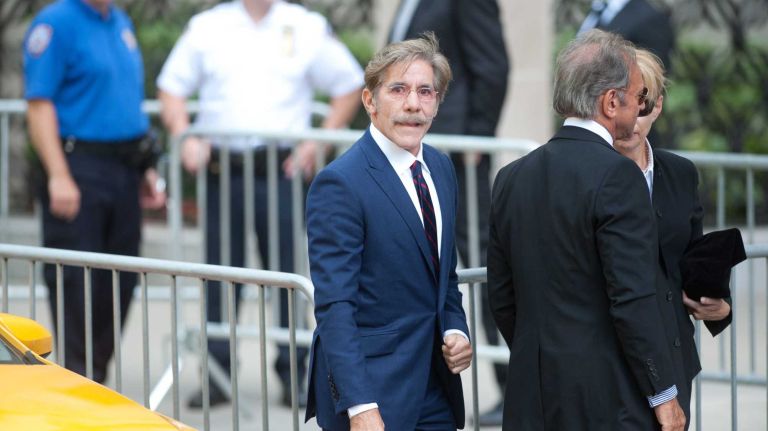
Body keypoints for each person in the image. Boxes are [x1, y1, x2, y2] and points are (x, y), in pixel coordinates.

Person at [156, 0, 363, 408]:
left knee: (289, 276)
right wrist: (185, 134)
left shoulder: (303, 25)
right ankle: (216, 375)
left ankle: (296, 374)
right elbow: (171, 87)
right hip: (223, 171)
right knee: (218, 276)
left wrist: (318, 139)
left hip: (278, 170)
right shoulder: (208, 26)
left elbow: (350, 83)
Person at [487, 29, 687, 430]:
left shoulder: (511, 177)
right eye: (637, 96)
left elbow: (502, 297)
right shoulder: (618, 176)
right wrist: (664, 393)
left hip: (531, 396)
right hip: (607, 399)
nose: (640, 107)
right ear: (612, 101)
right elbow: (632, 299)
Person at [305, 33, 472, 430]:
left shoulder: (441, 170)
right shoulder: (341, 184)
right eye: (398, 89)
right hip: (374, 395)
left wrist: (455, 327)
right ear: (369, 101)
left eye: (425, 92)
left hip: (436, 391)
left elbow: (443, 276)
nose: (412, 104)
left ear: (437, 102)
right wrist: (360, 406)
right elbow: (335, 307)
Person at [23, 0, 165, 384]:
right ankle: (78, 378)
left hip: (122, 170)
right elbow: (39, 106)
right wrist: (57, 174)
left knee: (121, 280)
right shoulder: (55, 23)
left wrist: (146, 168)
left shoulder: (118, 21)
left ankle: (94, 376)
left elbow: (125, 104)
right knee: (77, 285)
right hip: (77, 167)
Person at [388, 1, 510, 424]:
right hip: (411, 150)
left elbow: (493, 65)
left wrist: (477, 137)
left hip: (457, 156)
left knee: (484, 263)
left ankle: (514, 384)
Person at [614, 48, 732, 428]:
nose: (633, 121)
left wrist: (719, 304)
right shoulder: (588, 175)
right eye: (623, 105)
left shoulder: (679, 173)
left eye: (643, 108)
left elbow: (690, 256)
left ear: (658, 107)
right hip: (612, 363)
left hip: (673, 355)